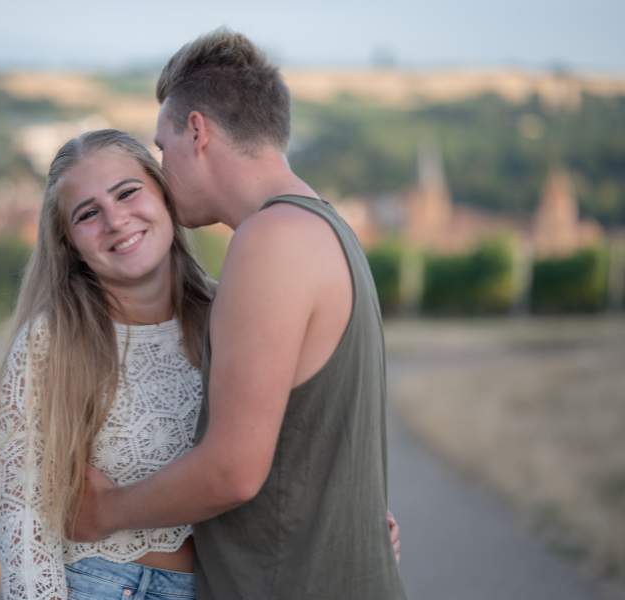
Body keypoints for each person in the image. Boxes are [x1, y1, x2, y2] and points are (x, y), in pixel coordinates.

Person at [69, 28, 409, 600]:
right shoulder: (326, 227)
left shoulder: (269, 240)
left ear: (197, 130)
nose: (159, 167)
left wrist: (103, 511)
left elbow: (234, 469)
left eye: (161, 147)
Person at [0, 129, 215, 600]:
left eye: (127, 192)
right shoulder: (51, 343)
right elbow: (23, 525)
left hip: (227, 586)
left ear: (164, 196)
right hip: (104, 587)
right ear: (68, 243)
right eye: (88, 213)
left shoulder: (235, 315)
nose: (116, 219)